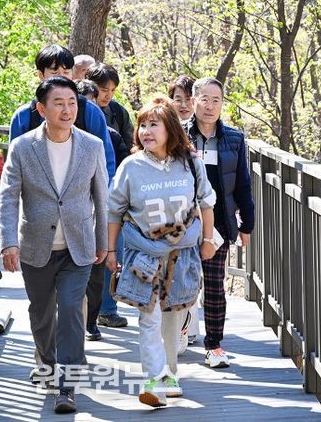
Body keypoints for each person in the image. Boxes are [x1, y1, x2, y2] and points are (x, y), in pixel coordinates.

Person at [0, 76, 108, 414]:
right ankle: (46, 364)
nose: (67, 109)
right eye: (58, 103)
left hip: (79, 246)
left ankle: (66, 387)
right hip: (36, 246)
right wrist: (8, 243)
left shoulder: (91, 145)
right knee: (42, 314)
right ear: (42, 109)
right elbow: (8, 197)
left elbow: (101, 197)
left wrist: (104, 242)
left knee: (72, 310)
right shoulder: (23, 147)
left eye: (72, 102)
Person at [106, 96, 216, 406]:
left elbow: (206, 203)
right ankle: (154, 380)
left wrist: (208, 240)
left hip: (182, 252)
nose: (146, 131)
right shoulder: (131, 166)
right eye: (142, 125)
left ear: (170, 129)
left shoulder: (190, 163)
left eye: (154, 125)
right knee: (149, 317)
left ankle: (170, 374)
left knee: (173, 317)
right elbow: (114, 211)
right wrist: (111, 250)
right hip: (143, 253)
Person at [183, 77, 255, 368]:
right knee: (183, 282)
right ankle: (180, 332)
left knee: (214, 286)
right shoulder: (178, 134)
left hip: (220, 224)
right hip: (183, 222)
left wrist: (246, 225)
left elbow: (243, 185)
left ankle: (214, 345)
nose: (210, 106)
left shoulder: (234, 139)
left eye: (216, 100)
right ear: (193, 101)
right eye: (205, 99)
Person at [9, 44, 115, 180]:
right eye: (54, 73)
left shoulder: (90, 111)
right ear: (41, 75)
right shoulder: (24, 116)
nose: (61, 78)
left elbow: (106, 160)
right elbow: (14, 166)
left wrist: (103, 190)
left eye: (66, 72)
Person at [84, 63, 135, 330]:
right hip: (82, 193)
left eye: (113, 90)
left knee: (112, 249)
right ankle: (87, 311)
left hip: (113, 189)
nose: (107, 95)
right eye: (103, 89)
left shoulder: (118, 113)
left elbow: (129, 148)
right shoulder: (80, 109)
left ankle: (108, 307)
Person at [169, 74, 199, 346]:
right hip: (169, 217)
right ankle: (179, 332)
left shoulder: (202, 130)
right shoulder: (161, 130)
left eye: (189, 99)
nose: (183, 105)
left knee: (193, 273)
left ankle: (190, 329)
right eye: (177, 99)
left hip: (198, 214)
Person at [85, 63, 135, 150]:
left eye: (113, 90)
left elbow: (131, 145)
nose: (109, 96)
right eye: (104, 90)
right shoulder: (78, 110)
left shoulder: (118, 111)